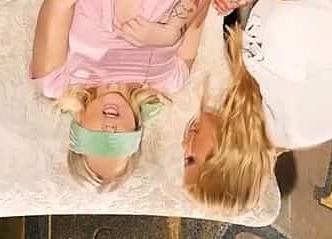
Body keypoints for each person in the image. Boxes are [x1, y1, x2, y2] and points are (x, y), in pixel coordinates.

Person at [182, 0, 332, 213]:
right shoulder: (302, 126)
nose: (185, 146)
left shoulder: (252, 100)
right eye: (190, 160)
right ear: (225, 163)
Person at [31, 0, 211, 190]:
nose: (110, 129)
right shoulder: (169, 80)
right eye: (118, 142)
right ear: (136, 129)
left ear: (79, 124)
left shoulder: (57, 82)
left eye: (98, 139)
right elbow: (201, 6)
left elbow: (58, 5)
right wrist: (171, 33)